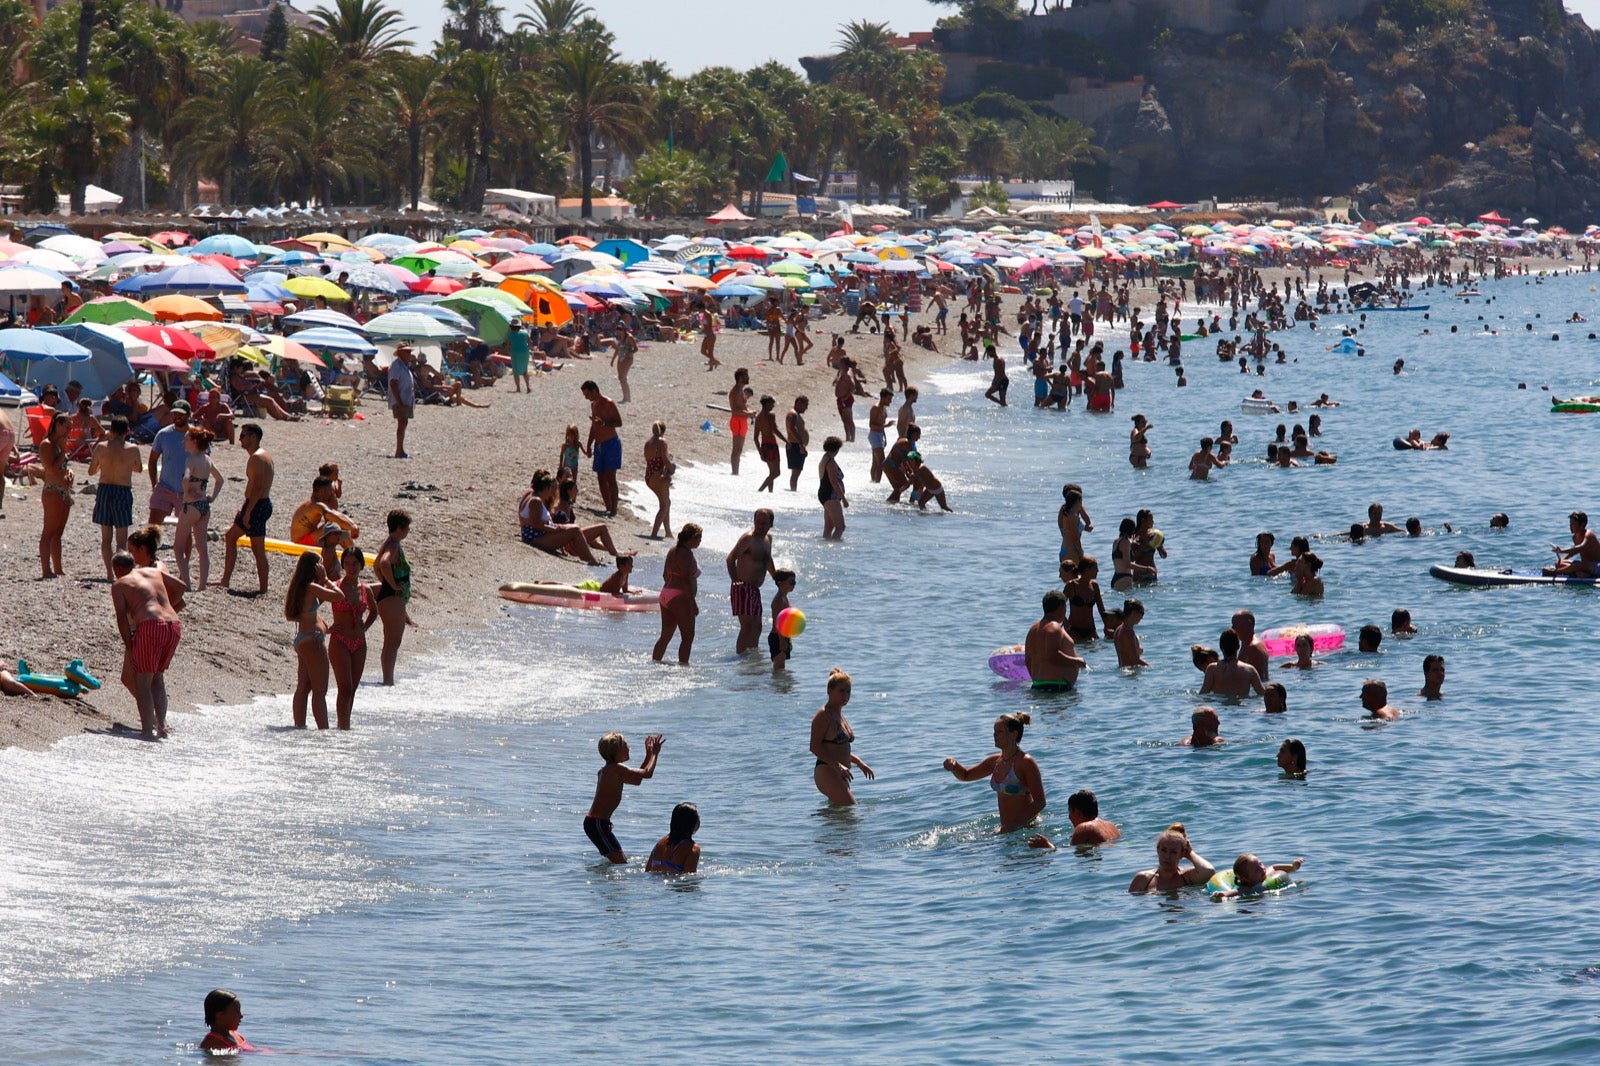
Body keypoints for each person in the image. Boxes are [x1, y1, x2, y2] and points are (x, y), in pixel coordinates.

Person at [111, 528, 186, 740]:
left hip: (149, 627)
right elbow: (181, 587)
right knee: (157, 679)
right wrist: (168, 605)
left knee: (142, 682)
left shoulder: (120, 584)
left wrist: (129, 644)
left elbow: (121, 619)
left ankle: (147, 731)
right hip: (173, 625)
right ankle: (161, 726)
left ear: (117, 568)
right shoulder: (154, 572)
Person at [942, 713, 1047, 834]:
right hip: (1006, 830)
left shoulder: (1026, 762)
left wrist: (1014, 825)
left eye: (999, 731)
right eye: (994, 731)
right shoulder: (996, 761)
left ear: (1014, 734)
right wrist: (954, 766)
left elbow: (1040, 801)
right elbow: (966, 775)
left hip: (1028, 829)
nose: (994, 735)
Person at [584, 731, 664, 863]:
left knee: (620, 861)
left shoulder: (610, 770)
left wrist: (648, 755)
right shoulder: (616, 769)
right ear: (617, 751)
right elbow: (647, 773)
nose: (629, 747)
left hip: (598, 824)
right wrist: (655, 753)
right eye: (626, 744)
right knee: (620, 862)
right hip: (597, 824)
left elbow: (638, 780)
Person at [284, 552, 342, 730]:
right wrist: (326, 579)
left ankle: (299, 726)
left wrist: (327, 628)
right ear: (315, 568)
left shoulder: (300, 588)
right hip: (313, 640)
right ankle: (323, 730)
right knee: (319, 690)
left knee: (304, 686)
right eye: (321, 565)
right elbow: (339, 595)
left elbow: (312, 613)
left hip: (303, 640)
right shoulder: (311, 587)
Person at [218, 424, 274, 595]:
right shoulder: (264, 455)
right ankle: (228, 581)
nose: (240, 438)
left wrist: (248, 512)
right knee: (234, 538)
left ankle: (260, 588)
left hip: (257, 505)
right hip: (259, 504)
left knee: (252, 546)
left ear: (254, 437)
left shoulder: (257, 458)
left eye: (244, 436)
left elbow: (257, 487)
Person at [518, 469, 617, 564]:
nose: (552, 493)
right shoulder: (536, 501)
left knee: (575, 529)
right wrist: (556, 529)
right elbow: (535, 524)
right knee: (575, 530)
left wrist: (556, 528)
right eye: (552, 488)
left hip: (540, 534)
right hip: (535, 538)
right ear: (546, 488)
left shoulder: (535, 497)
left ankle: (591, 559)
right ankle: (592, 561)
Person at [86, 416, 142, 581]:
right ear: (127, 431)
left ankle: (109, 574)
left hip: (104, 489)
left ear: (111, 430)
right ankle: (121, 574)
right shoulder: (132, 449)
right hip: (122, 490)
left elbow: (91, 471)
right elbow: (138, 469)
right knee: (121, 539)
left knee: (106, 538)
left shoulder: (101, 448)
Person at [811, 667, 875, 805]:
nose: (845, 695)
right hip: (827, 770)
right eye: (841, 691)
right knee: (850, 812)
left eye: (848, 691)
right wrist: (839, 766)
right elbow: (814, 747)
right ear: (829, 691)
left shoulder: (839, 715)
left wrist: (859, 763)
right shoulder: (823, 715)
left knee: (838, 817)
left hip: (840, 773)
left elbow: (839, 749)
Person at [328, 545, 374, 729]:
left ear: (361, 565)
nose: (351, 567)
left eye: (355, 563)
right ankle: (343, 730)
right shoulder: (335, 587)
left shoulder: (365, 589)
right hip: (340, 641)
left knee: (353, 689)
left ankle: (344, 726)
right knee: (345, 688)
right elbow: (313, 603)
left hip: (359, 643)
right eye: (347, 563)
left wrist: (366, 628)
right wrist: (325, 627)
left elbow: (374, 611)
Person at [173, 427, 223, 591]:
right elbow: (220, 480)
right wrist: (212, 498)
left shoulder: (191, 460)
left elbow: (186, 478)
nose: (183, 441)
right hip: (204, 506)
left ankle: (187, 584)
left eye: (186, 439)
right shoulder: (207, 459)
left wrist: (187, 491)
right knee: (202, 549)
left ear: (194, 442)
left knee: (178, 548)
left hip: (191, 506)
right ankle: (202, 586)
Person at [726, 509, 777, 654]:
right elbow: (730, 558)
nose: (760, 525)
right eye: (758, 522)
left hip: (755, 589)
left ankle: (752, 656)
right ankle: (741, 657)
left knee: (757, 627)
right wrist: (735, 582)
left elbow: (767, 559)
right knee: (747, 626)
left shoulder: (768, 539)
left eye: (764, 523)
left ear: (771, 524)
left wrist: (775, 577)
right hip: (742, 586)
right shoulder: (748, 539)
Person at [289, 474, 360, 578]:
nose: (331, 493)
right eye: (329, 490)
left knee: (335, 526)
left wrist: (352, 525)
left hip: (307, 537)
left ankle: (353, 554)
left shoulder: (315, 501)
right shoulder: (316, 504)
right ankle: (354, 556)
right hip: (300, 541)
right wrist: (352, 526)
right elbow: (333, 516)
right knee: (334, 527)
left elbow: (336, 514)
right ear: (322, 491)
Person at [373, 509, 412, 686]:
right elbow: (383, 563)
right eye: (407, 527)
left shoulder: (388, 543)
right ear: (399, 528)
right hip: (392, 598)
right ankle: (387, 680)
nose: (408, 530)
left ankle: (387, 679)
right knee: (392, 642)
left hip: (389, 598)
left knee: (390, 641)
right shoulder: (393, 545)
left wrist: (386, 582)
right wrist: (393, 585)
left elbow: (375, 566)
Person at [653, 524, 702, 664]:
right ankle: (683, 670)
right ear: (690, 538)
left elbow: (664, 575)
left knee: (665, 637)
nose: (700, 541)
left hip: (666, 593)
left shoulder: (672, 550)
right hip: (681, 596)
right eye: (698, 538)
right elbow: (686, 580)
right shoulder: (687, 554)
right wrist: (693, 603)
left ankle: (654, 664)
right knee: (688, 637)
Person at [33, 413, 73, 578]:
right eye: (66, 426)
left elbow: (63, 467)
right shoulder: (47, 445)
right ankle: (45, 569)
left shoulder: (60, 444)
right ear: (57, 425)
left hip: (64, 491)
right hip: (52, 491)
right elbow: (51, 469)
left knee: (58, 532)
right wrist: (63, 451)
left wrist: (70, 472)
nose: (69, 430)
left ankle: (58, 568)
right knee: (48, 531)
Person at [1024, 590, 1086, 690]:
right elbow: (1052, 655)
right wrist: (1077, 661)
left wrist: (1038, 680)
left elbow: (1027, 660)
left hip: (1038, 685)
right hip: (1056, 687)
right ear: (1061, 607)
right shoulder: (1054, 626)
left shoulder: (1033, 629)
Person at [1128, 823, 1216, 893]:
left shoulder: (1187, 877)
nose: (1167, 856)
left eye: (1173, 852)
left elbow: (1209, 871)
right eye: (1163, 850)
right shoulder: (1143, 879)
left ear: (1182, 853)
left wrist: (1190, 853)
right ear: (1157, 850)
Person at [145, 400, 193, 526]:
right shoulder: (163, 434)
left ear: (189, 415)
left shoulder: (195, 435)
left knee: (185, 531)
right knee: (153, 527)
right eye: (175, 413)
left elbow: (205, 462)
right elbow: (152, 460)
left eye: (181, 414)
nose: (177, 417)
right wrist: (154, 484)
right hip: (164, 488)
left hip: (187, 491)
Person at [581, 380, 623, 517]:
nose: (586, 397)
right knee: (600, 477)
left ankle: (614, 509)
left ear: (594, 390)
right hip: (599, 445)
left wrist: (604, 423)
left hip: (611, 443)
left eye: (587, 394)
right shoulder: (593, 405)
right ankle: (608, 507)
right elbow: (594, 426)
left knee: (611, 477)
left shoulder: (608, 403)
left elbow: (619, 422)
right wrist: (588, 444)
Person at [1200, 629, 1266, 698]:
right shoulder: (1249, 670)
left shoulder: (1212, 669)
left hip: (1220, 707)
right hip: (1243, 707)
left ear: (1221, 647)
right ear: (1238, 646)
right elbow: (1262, 694)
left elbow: (1203, 695)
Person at [1211, 854, 1304, 900]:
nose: (1262, 868)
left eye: (1261, 864)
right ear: (1246, 878)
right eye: (1256, 869)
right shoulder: (1247, 888)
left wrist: (1293, 867)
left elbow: (1274, 867)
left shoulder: (1266, 874)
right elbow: (1235, 892)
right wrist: (1222, 895)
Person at [646, 802, 701, 875]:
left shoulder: (660, 843)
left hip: (654, 883)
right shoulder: (692, 849)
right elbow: (689, 880)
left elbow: (647, 871)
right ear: (692, 823)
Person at [1061, 557, 1108, 642]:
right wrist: (1065, 623)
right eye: (1095, 568)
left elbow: (1101, 609)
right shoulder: (1071, 585)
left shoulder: (1094, 586)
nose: (1098, 571)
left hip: (1091, 630)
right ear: (1087, 570)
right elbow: (1059, 606)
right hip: (1073, 630)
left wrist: (1107, 626)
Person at [1545, 511, 1600, 577]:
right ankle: (1580, 572)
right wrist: (1563, 560)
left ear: (1582, 525)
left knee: (1580, 565)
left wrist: (1561, 551)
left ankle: (1554, 572)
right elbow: (1573, 552)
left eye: (1573, 524)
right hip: (1585, 566)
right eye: (1570, 523)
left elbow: (1580, 547)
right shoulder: (1574, 537)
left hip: (1597, 566)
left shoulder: (1588, 535)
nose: (1570, 526)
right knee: (1558, 563)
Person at [643, 421, 673, 539]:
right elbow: (665, 460)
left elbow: (652, 458)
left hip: (649, 476)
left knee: (666, 503)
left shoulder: (648, 442)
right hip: (658, 476)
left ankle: (668, 532)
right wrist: (672, 469)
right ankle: (654, 533)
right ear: (663, 431)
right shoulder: (662, 441)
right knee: (664, 506)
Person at [387, 344, 416, 458]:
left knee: (404, 423)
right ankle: (399, 450)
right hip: (400, 399)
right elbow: (393, 383)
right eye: (406, 352)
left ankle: (401, 449)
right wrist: (399, 402)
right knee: (401, 423)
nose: (409, 354)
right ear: (400, 353)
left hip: (406, 399)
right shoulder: (396, 365)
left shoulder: (404, 365)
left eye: (409, 352)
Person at [752, 395, 785, 493]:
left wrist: (760, 452)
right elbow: (775, 430)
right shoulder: (771, 415)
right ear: (767, 404)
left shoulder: (758, 417)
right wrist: (786, 440)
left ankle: (770, 493)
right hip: (772, 445)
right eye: (772, 403)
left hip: (764, 446)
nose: (773, 406)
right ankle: (760, 490)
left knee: (772, 472)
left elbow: (755, 438)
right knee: (777, 473)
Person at [817, 436, 847, 539]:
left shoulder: (825, 458)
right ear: (836, 449)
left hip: (825, 494)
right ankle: (835, 549)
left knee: (829, 527)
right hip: (831, 495)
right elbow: (834, 482)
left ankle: (826, 549)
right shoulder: (830, 462)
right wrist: (843, 499)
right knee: (840, 527)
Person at [1058, 483, 1093, 563]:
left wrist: (1083, 527)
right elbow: (1074, 537)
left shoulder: (1071, 512)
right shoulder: (1068, 514)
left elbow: (1088, 521)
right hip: (1072, 549)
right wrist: (1080, 553)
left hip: (1066, 547)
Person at [768, 569, 796, 670]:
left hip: (783, 637)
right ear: (780, 583)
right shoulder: (778, 600)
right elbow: (777, 622)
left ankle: (782, 686)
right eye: (791, 582)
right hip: (777, 637)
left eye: (794, 582)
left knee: (781, 668)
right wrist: (782, 641)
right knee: (779, 668)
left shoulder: (784, 597)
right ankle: (777, 686)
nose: (794, 584)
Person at [1232, 609, 1269, 681]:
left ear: (1249, 624)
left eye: (1236, 624)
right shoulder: (1246, 643)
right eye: (1233, 624)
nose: (1233, 628)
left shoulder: (1253, 648)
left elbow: (1258, 679)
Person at [727, 368, 750, 474]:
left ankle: (736, 472)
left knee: (739, 449)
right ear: (741, 378)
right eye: (746, 376)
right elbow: (735, 410)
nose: (748, 377)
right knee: (736, 449)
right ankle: (734, 472)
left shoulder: (740, 390)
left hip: (742, 420)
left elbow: (742, 407)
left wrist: (749, 411)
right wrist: (748, 413)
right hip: (737, 420)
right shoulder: (736, 391)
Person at [785, 395, 810, 492]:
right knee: (795, 473)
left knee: (796, 473)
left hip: (796, 445)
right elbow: (792, 429)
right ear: (799, 403)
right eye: (805, 405)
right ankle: (793, 492)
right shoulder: (793, 414)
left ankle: (793, 491)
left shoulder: (795, 414)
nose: (806, 408)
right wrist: (801, 444)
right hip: (795, 446)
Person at [1115, 598, 1149, 667]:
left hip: (1124, 669)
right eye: (1141, 613)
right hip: (1131, 671)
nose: (1142, 617)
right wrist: (1150, 667)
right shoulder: (1128, 632)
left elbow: (1127, 652)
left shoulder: (1118, 629)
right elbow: (1135, 660)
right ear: (1134, 613)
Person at [868, 388, 892, 483]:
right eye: (889, 399)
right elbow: (871, 425)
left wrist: (884, 437)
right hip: (874, 435)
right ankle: (877, 483)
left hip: (880, 435)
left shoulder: (884, 408)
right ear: (883, 398)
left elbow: (881, 424)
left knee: (875, 462)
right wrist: (886, 426)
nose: (890, 401)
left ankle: (873, 482)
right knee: (882, 462)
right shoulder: (876, 408)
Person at [610, 322, 635, 403]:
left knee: (623, 378)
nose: (619, 331)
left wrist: (628, 354)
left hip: (627, 358)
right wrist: (613, 359)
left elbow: (635, 349)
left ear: (624, 329)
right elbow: (617, 349)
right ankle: (625, 397)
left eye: (620, 329)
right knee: (621, 378)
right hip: (620, 358)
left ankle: (627, 398)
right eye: (618, 330)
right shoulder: (620, 338)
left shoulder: (629, 337)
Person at [507, 318, 533, 392]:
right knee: (525, 370)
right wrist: (527, 348)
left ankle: (518, 388)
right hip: (525, 352)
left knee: (516, 371)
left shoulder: (510, 334)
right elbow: (530, 343)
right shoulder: (525, 332)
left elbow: (508, 346)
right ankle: (528, 387)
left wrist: (507, 351)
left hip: (515, 353)